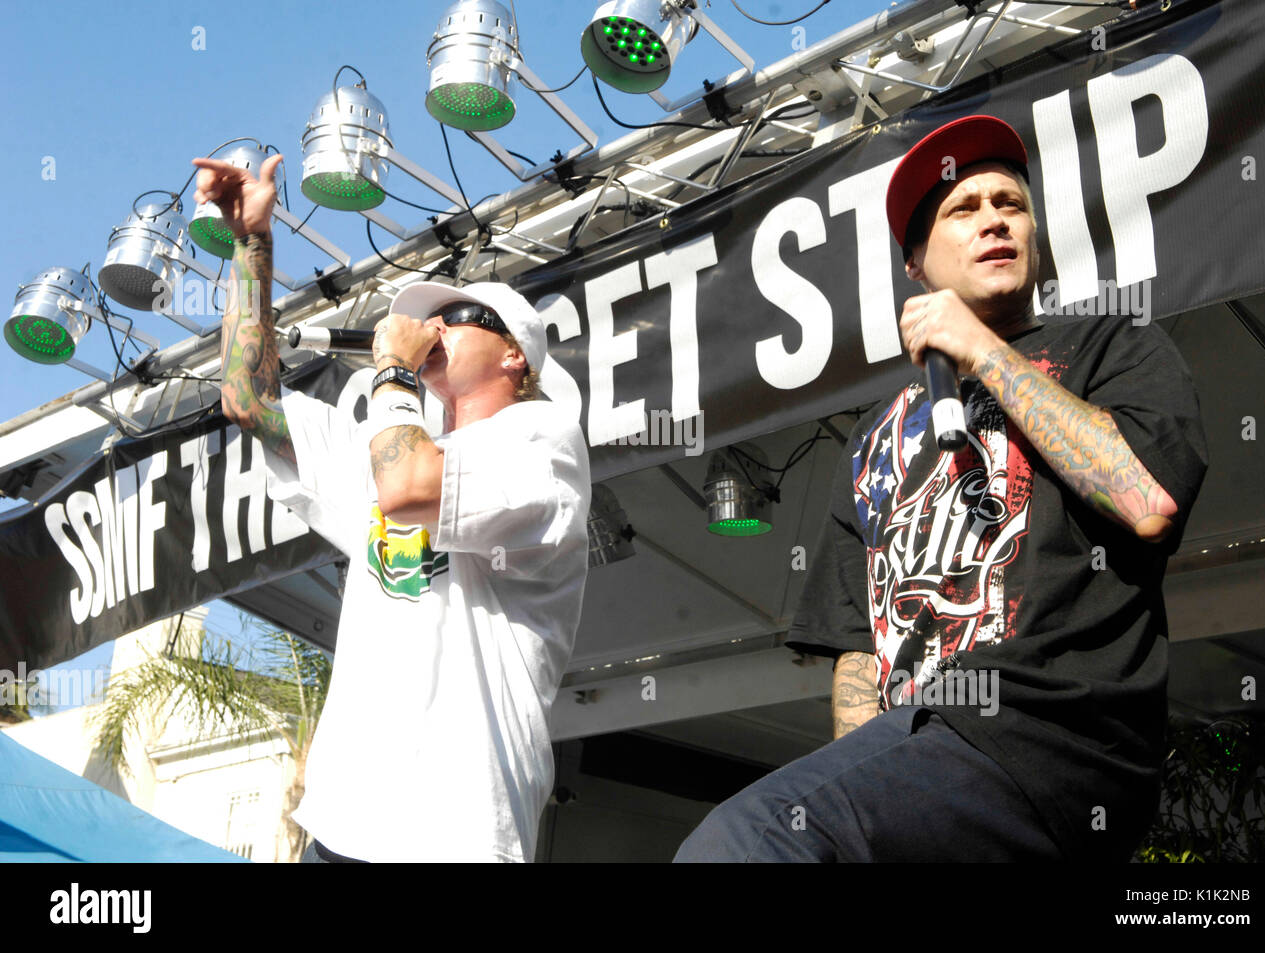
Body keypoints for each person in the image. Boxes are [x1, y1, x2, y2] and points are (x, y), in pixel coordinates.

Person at [674, 115, 1209, 863]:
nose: (994, 218)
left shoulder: (1110, 346)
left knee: (743, 840)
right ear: (916, 263)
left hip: (1046, 731)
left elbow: (1146, 500)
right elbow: (859, 650)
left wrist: (981, 348)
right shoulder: (870, 441)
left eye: (1010, 203)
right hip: (926, 755)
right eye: (965, 209)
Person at [193, 153, 592, 862]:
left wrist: (394, 369)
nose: (433, 327)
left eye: (458, 317)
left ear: (514, 358)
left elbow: (410, 484)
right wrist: (251, 242)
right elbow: (247, 400)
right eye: (426, 320)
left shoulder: (544, 443)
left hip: (457, 830)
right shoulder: (392, 442)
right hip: (345, 825)